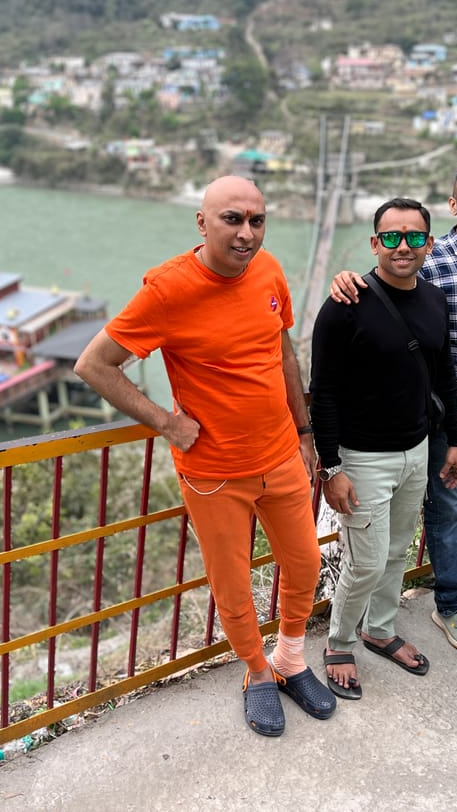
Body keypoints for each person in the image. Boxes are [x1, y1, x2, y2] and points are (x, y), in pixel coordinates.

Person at [74, 175, 335, 737]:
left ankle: (291, 658)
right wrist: (166, 422)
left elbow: (283, 352)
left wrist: (305, 431)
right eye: (232, 220)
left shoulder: (268, 271)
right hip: (215, 471)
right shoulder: (168, 289)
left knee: (305, 563)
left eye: (257, 221)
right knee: (233, 584)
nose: (246, 234)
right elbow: (93, 364)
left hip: (282, 455)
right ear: (202, 222)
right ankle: (257, 672)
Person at [329, 156, 457, 655]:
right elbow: (385, 277)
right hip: (430, 413)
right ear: (454, 203)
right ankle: (448, 602)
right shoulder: (423, 263)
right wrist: (344, 278)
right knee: (441, 510)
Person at [310, 198, 457, 700]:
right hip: (362, 457)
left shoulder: (436, 300)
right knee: (366, 562)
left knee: (396, 551)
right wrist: (331, 468)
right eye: (392, 237)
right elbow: (325, 391)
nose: (403, 246)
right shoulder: (343, 305)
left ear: (429, 244)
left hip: (415, 450)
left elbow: (444, 378)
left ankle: (380, 628)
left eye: (415, 237)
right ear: (375, 243)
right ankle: (339, 642)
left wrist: (455, 443)